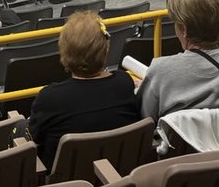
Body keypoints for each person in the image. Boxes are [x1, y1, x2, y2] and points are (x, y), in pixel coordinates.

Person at [29, 12, 140, 169]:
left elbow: (35, 139)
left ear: (64, 53)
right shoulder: (124, 83)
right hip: (121, 173)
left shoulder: (50, 98)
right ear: (105, 51)